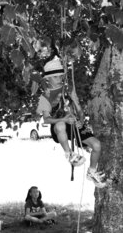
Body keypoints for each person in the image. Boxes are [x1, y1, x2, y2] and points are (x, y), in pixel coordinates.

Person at [36, 57, 106, 188]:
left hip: (74, 123)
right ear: (48, 79)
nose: (59, 79)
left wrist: (80, 120)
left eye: (60, 76)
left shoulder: (69, 90)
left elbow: (79, 109)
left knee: (96, 145)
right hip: (59, 126)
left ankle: (91, 172)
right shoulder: (45, 96)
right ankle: (69, 154)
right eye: (56, 77)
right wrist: (63, 119)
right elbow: (46, 119)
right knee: (60, 125)